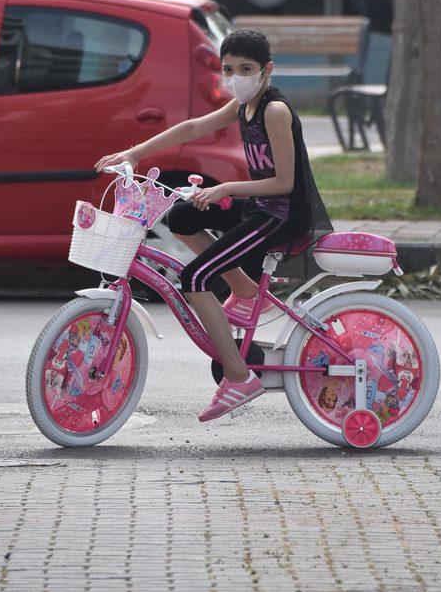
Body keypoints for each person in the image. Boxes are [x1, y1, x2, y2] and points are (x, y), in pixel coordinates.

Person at [95, 28, 332, 422]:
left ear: (266, 70)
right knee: (182, 217)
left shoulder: (274, 110)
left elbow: (285, 184)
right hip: (261, 206)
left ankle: (239, 378)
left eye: (246, 68)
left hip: (281, 215)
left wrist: (225, 187)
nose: (235, 76)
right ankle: (243, 289)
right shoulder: (243, 105)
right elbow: (191, 128)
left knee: (194, 279)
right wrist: (133, 153)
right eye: (228, 69)